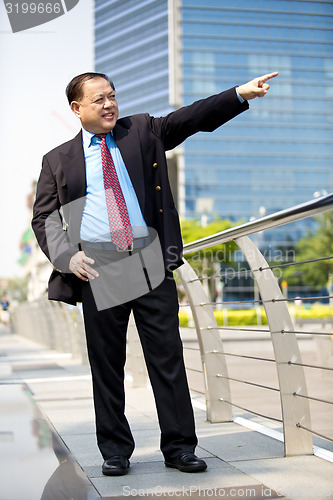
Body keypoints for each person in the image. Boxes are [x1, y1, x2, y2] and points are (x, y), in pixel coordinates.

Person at [32, 70, 278, 476]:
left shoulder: (141, 131)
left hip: (146, 258)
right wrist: (66, 257)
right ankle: (115, 450)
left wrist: (239, 94)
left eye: (112, 96)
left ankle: (180, 448)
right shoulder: (58, 160)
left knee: (167, 358)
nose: (110, 104)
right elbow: (43, 218)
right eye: (99, 100)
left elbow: (191, 117)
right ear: (77, 109)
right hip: (96, 266)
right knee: (106, 363)